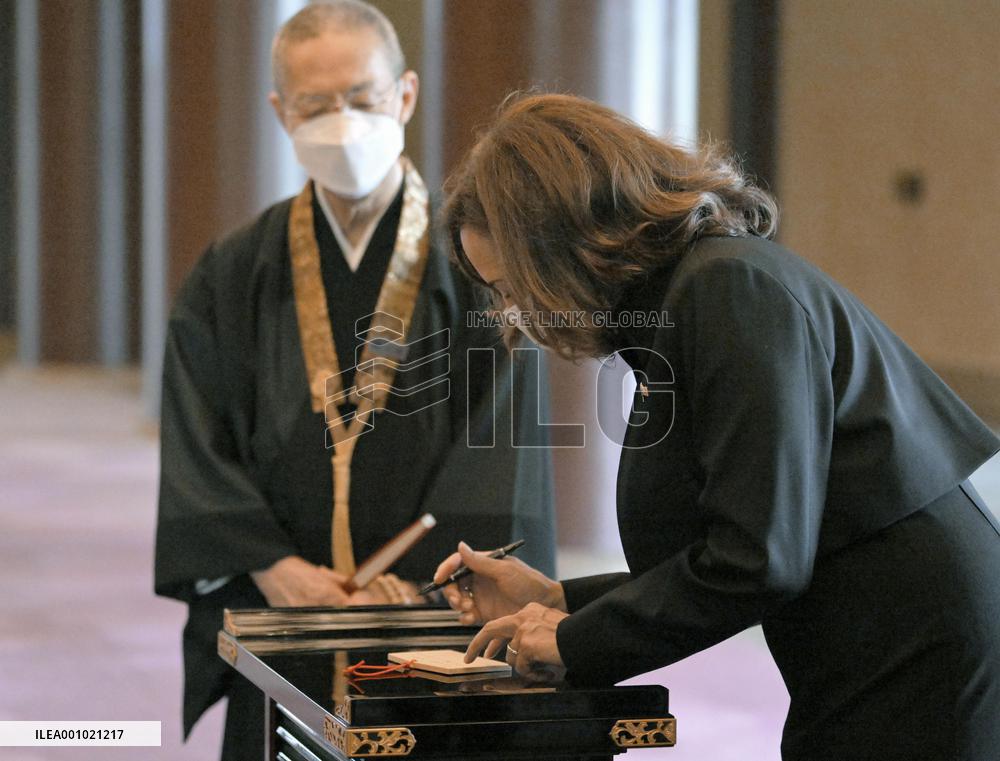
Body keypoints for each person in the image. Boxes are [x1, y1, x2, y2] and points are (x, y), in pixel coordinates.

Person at [433, 93, 1000, 760]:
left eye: (514, 287)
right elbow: (722, 545)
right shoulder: (689, 292)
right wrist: (559, 597)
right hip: (873, 631)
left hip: (916, 645)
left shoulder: (727, 288)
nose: (516, 314)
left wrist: (573, 640)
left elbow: (756, 558)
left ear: (563, 243)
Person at [153, 5, 555, 760]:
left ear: (404, 96)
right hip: (285, 608)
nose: (343, 123)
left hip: (435, 614)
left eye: (363, 98)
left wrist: (419, 584)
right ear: (282, 112)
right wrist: (271, 565)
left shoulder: (476, 262)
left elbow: (501, 441)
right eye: (316, 105)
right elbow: (197, 434)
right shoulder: (233, 271)